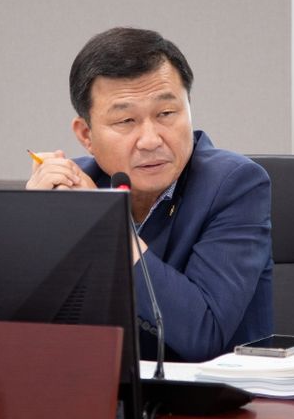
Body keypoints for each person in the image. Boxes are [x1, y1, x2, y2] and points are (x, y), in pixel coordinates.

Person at [26, 27, 272, 362]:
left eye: (166, 114)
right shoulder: (73, 188)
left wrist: (105, 224)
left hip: (210, 392)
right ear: (86, 135)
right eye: (126, 120)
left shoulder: (234, 185)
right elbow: (23, 332)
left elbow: (203, 335)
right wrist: (30, 224)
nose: (151, 140)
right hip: (98, 388)